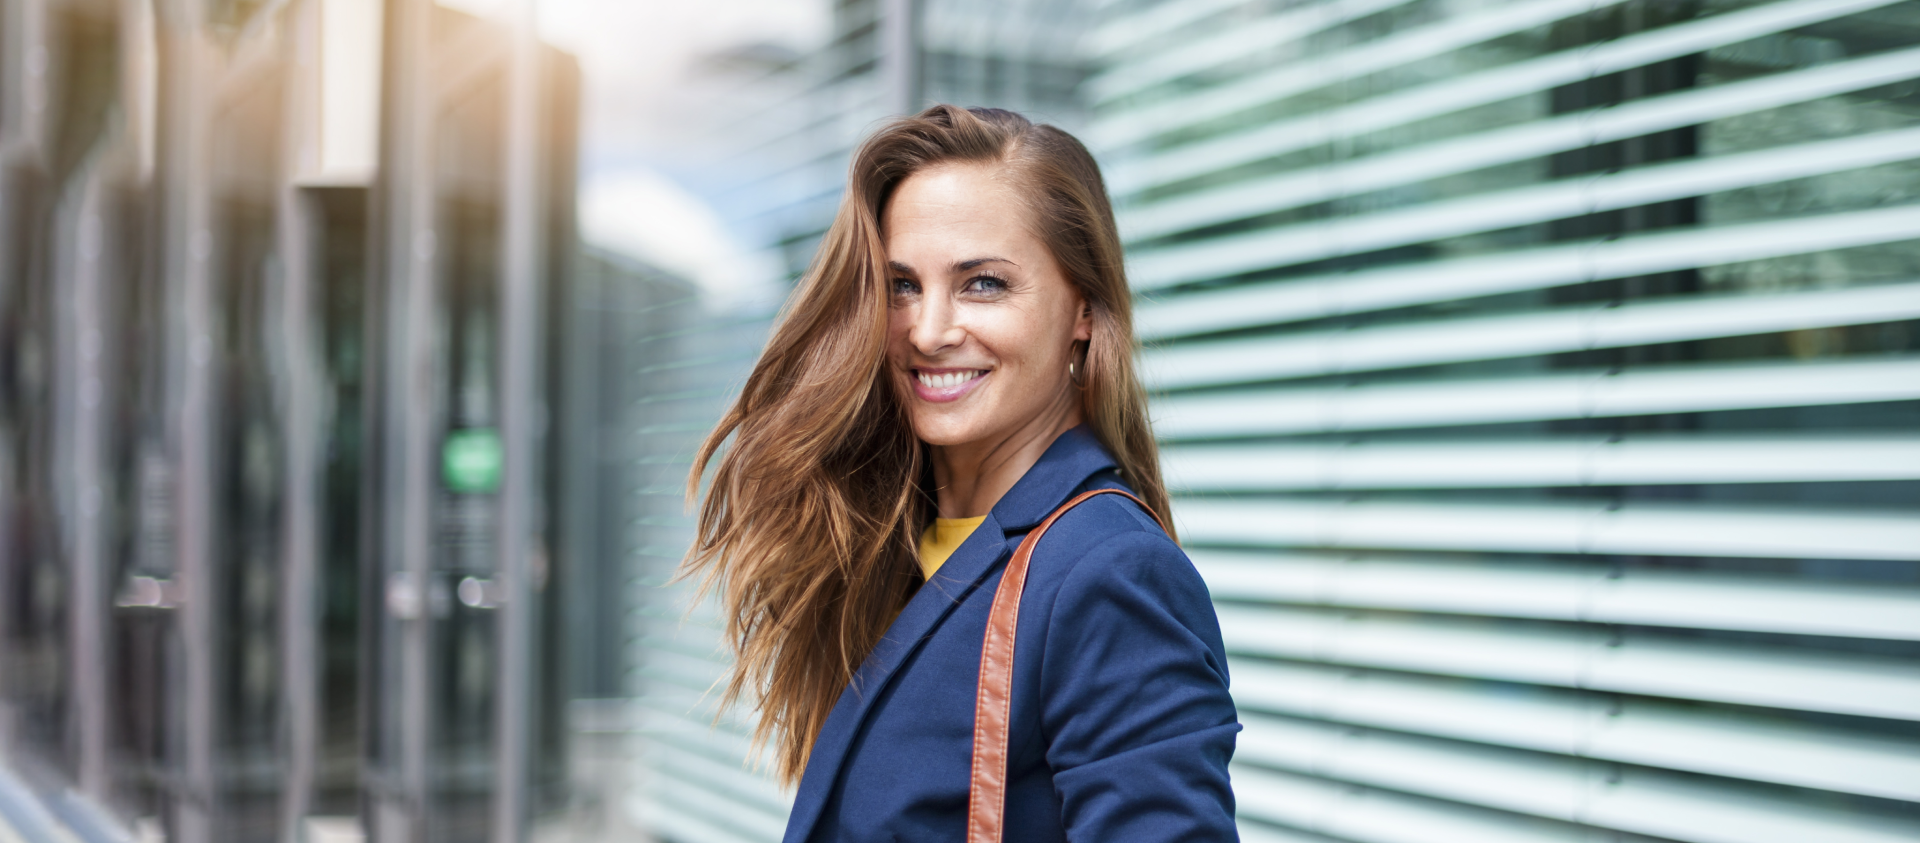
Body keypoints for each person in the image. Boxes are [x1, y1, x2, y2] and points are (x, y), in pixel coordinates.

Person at [683, 105, 1240, 842]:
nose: (929, 329)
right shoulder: (899, 544)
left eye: (982, 284)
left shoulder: (1108, 573)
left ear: (1082, 306)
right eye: (902, 285)